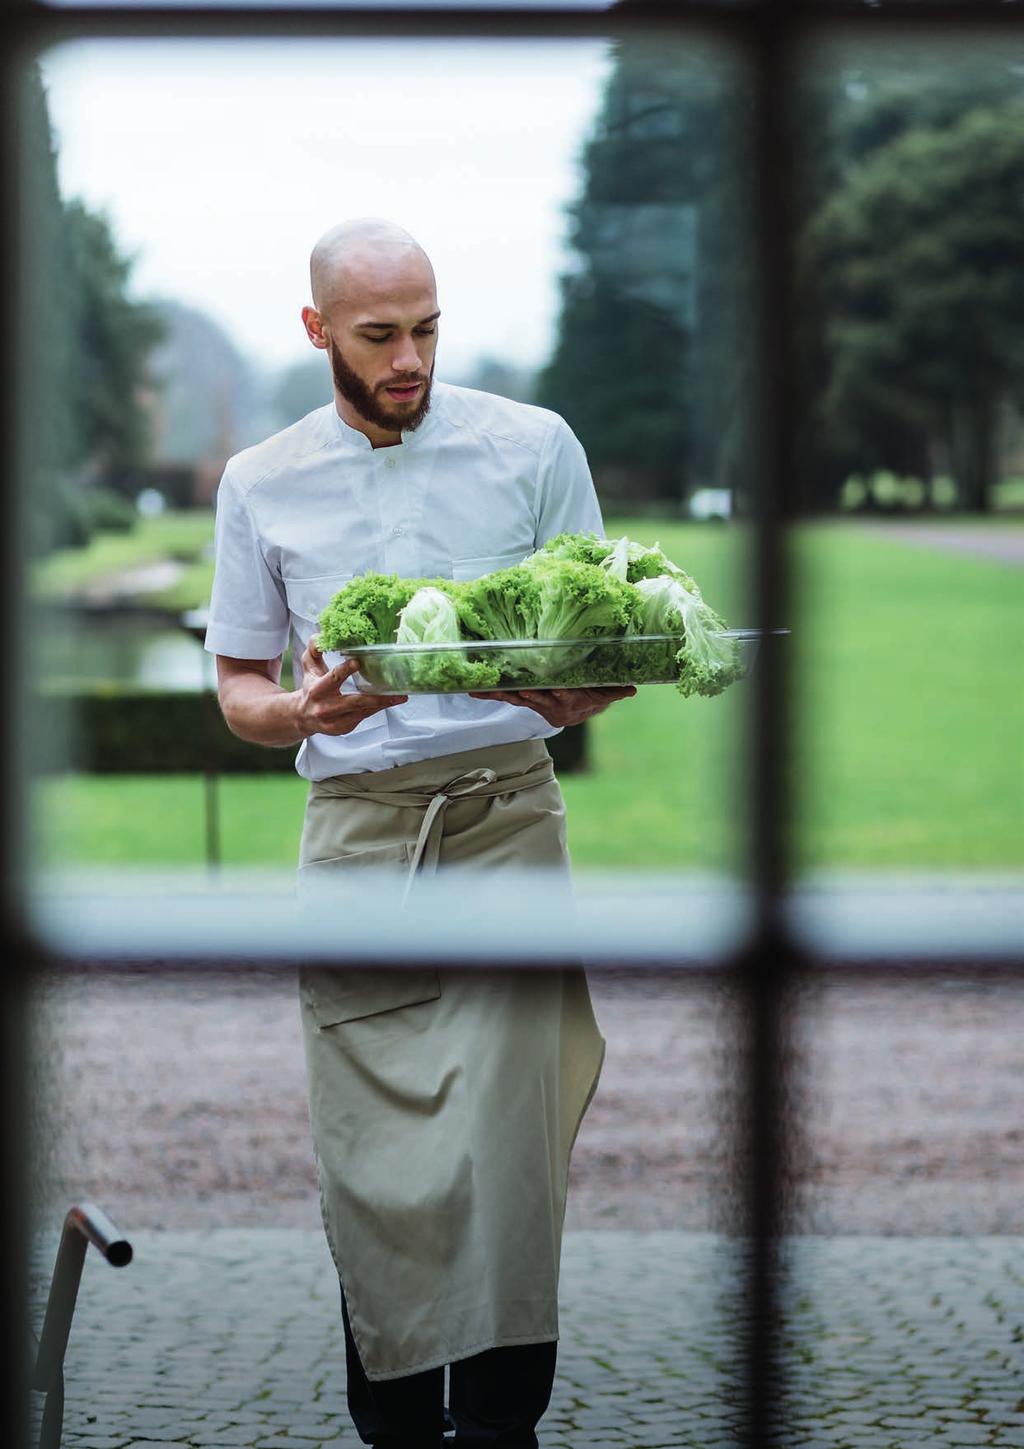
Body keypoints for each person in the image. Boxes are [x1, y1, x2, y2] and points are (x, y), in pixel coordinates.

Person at [204, 218, 635, 1449]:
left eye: (428, 329)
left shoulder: (533, 447)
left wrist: (582, 689)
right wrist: (299, 707)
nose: (409, 358)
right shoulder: (260, 481)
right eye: (379, 335)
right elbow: (239, 683)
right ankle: (391, 1421)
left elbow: (597, 642)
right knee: (376, 1156)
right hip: (355, 838)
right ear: (317, 330)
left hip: (506, 817)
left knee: (511, 1154)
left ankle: (505, 1429)